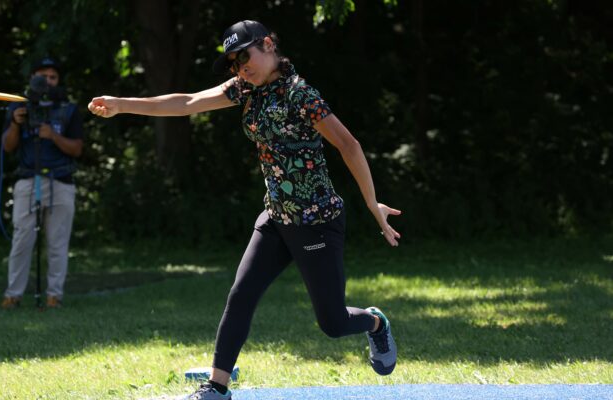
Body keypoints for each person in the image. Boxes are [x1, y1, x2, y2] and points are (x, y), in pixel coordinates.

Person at [89, 20, 401, 400]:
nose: (240, 68)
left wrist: (371, 203)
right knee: (241, 295)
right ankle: (217, 388)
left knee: (333, 323)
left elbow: (348, 145)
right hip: (276, 218)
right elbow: (187, 103)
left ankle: (375, 322)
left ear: (268, 44)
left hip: (316, 222)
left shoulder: (300, 94)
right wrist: (122, 105)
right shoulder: (245, 89)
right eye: (234, 63)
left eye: (244, 57)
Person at [0, 57, 84, 309]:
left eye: (52, 77)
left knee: (58, 242)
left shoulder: (69, 110)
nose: (47, 81)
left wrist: (53, 135)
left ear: (58, 81)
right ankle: (13, 295)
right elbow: (8, 147)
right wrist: (15, 124)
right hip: (28, 179)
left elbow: (77, 149)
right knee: (22, 239)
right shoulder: (18, 108)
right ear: (32, 79)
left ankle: (54, 295)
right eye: (42, 76)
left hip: (61, 180)